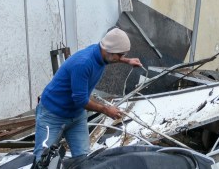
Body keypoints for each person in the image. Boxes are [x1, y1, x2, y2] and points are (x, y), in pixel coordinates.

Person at [33, 28, 141, 159]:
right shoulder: (83, 63)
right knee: (42, 162)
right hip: (53, 114)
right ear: (109, 51)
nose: (121, 58)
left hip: (76, 116)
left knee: (83, 160)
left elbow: (112, 57)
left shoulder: (101, 54)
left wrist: (127, 61)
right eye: (120, 55)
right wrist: (106, 110)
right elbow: (80, 100)